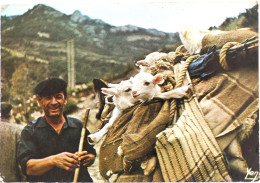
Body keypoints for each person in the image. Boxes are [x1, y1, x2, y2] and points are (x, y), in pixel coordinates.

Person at [17, 78, 96, 182]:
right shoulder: (30, 131)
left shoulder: (78, 126)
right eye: (48, 98)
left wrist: (88, 158)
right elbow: (28, 168)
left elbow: (92, 154)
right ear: (40, 101)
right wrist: (53, 161)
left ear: (65, 99)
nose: (54, 102)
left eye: (58, 97)